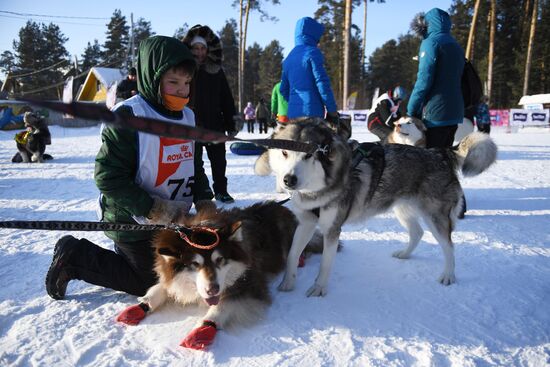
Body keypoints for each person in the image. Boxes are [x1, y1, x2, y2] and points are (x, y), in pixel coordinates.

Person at [45, 35, 214, 300]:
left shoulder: (188, 117)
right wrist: (152, 208)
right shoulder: (129, 116)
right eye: (173, 82)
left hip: (175, 221)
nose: (182, 90)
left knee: (195, 265)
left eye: (187, 83)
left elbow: (193, 164)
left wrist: (205, 202)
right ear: (152, 78)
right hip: (131, 221)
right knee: (151, 283)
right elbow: (108, 177)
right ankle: (75, 256)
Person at [183, 25, 237, 204]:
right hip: (192, 124)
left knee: (219, 161)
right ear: (190, 49)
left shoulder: (216, 70)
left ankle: (221, 190)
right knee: (193, 162)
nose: (199, 52)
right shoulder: (184, 71)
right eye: (196, 48)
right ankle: (199, 193)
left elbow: (226, 98)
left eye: (203, 48)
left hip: (215, 123)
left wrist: (231, 123)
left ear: (208, 49)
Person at [408, 8, 465, 149]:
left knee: (429, 165)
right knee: (445, 164)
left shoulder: (430, 43)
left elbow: (424, 79)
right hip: (455, 111)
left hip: (435, 113)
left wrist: (411, 109)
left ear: (425, 25)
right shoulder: (456, 45)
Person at [280, 16, 338, 124]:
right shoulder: (313, 53)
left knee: (295, 141)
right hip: (312, 114)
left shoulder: (288, 58)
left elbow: (283, 89)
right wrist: (332, 111)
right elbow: (322, 84)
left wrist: (295, 102)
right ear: (314, 35)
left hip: (293, 116)